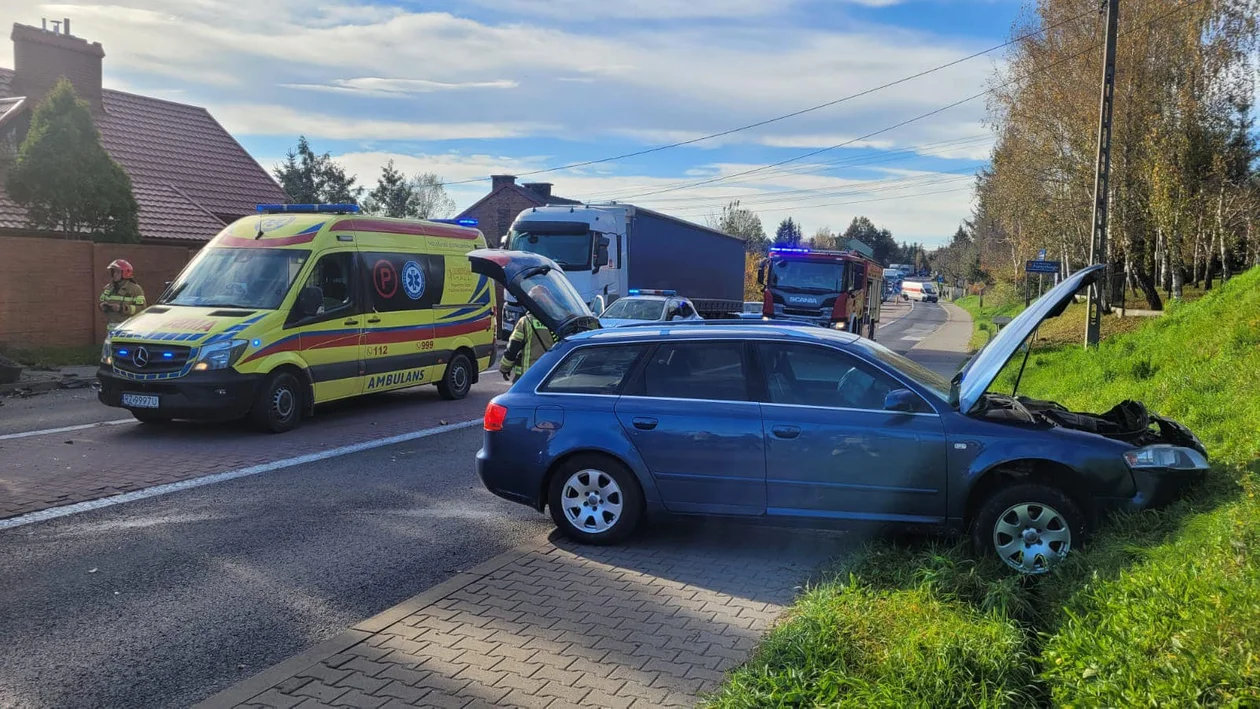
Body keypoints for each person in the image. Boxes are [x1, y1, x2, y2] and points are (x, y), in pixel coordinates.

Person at [498, 286, 560, 382]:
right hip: (550, 375)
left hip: (527, 376)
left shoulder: (525, 322)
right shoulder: (556, 322)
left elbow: (513, 347)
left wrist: (504, 368)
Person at [99, 259, 146, 329]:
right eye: (113, 272)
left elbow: (142, 309)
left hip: (129, 329)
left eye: (117, 272)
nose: (114, 274)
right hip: (111, 329)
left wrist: (122, 308)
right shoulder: (108, 288)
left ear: (125, 273)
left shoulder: (135, 289)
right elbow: (101, 301)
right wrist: (102, 306)